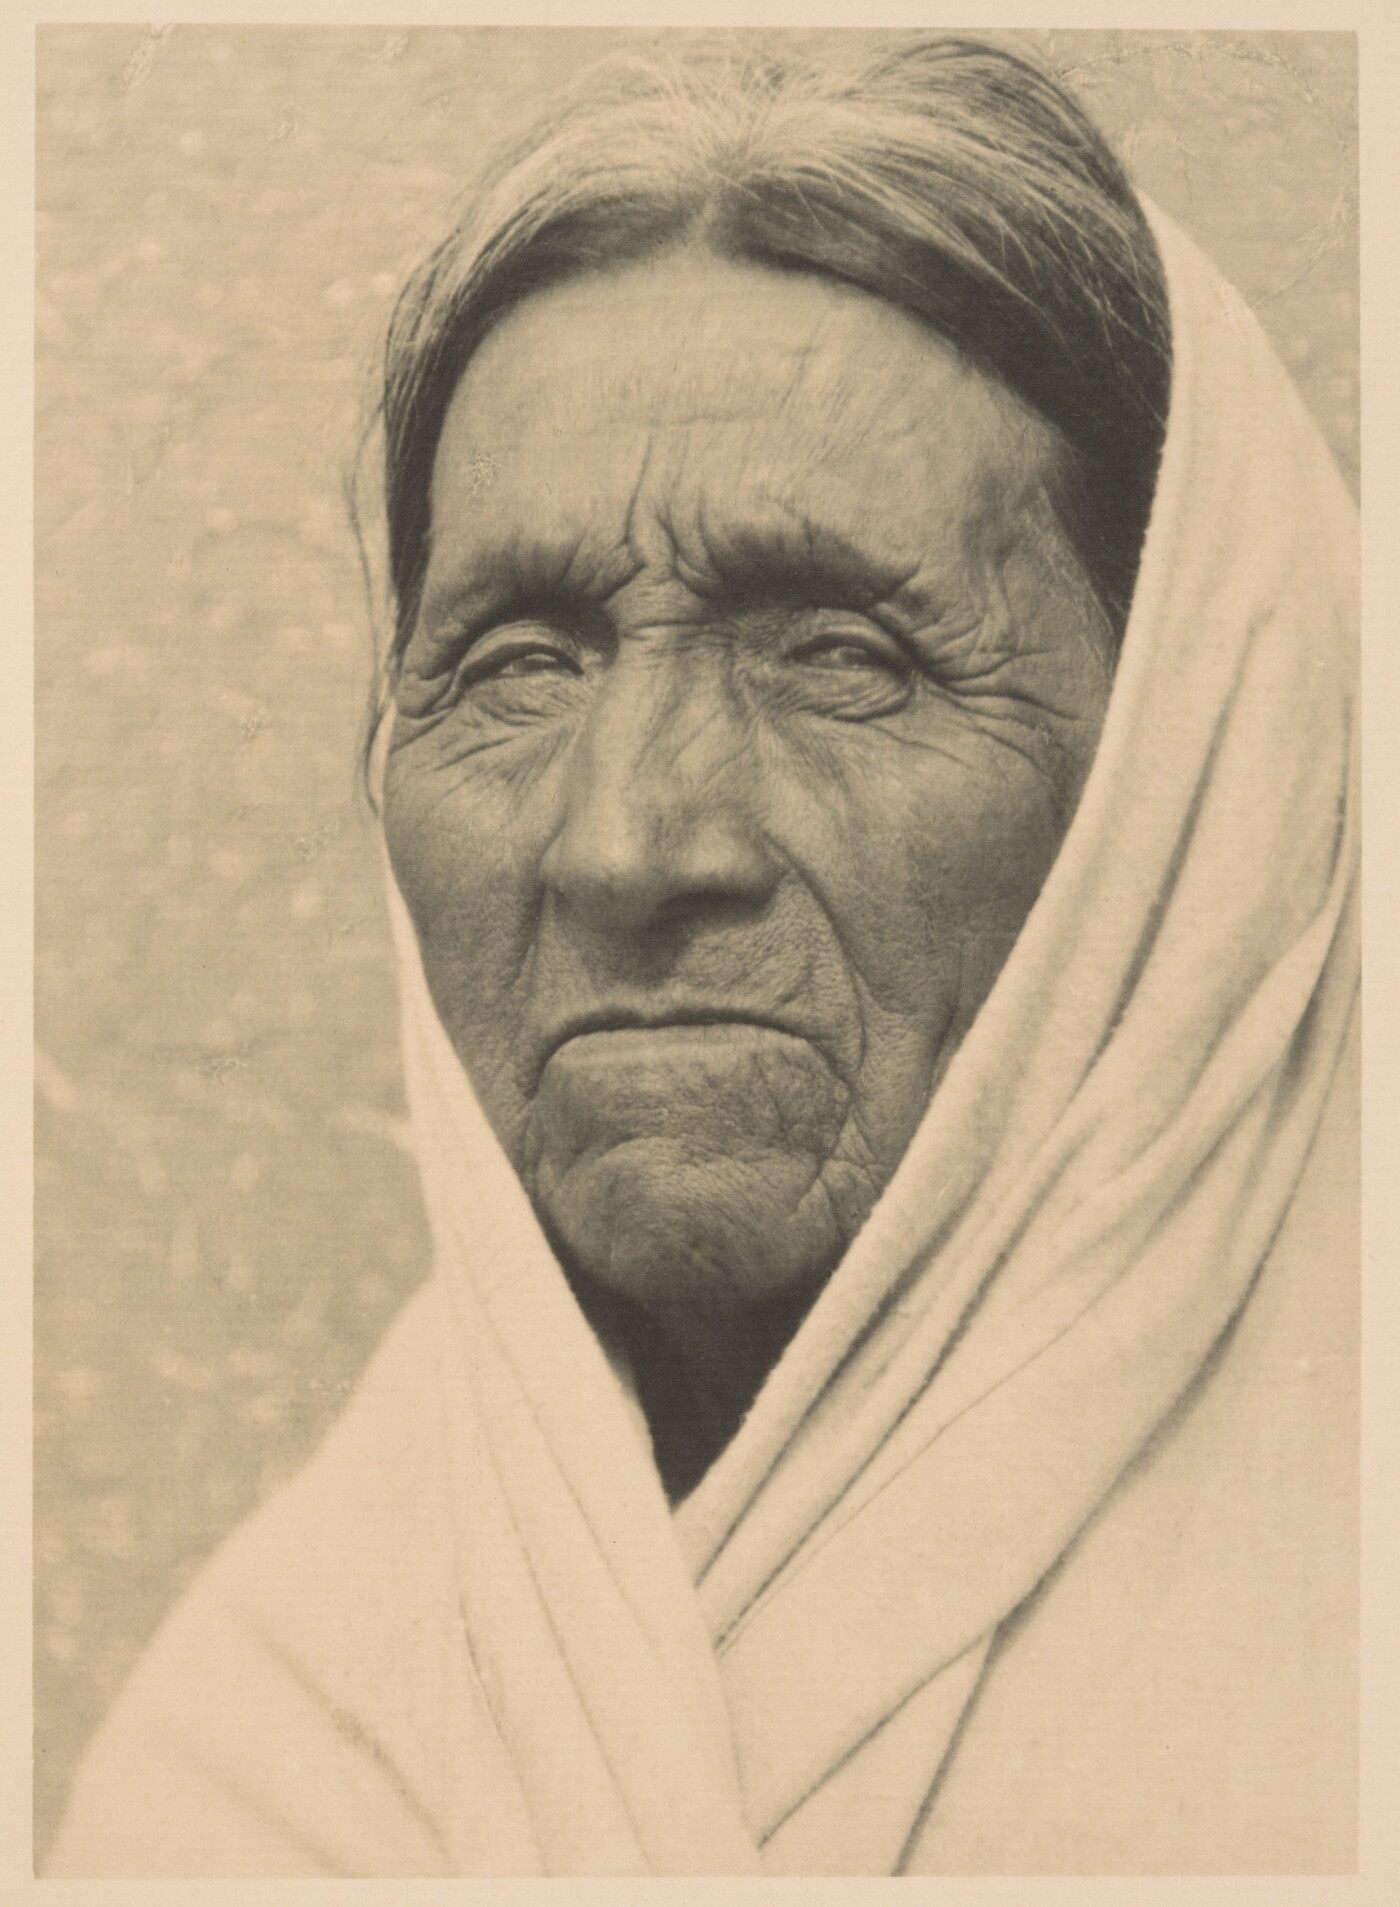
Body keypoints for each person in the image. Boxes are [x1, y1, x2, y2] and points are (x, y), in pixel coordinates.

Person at [46, 34, 1358, 1876]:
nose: (628, 845)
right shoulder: (284, 1756)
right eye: (516, 663)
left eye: (840, 654)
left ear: (1186, 777)